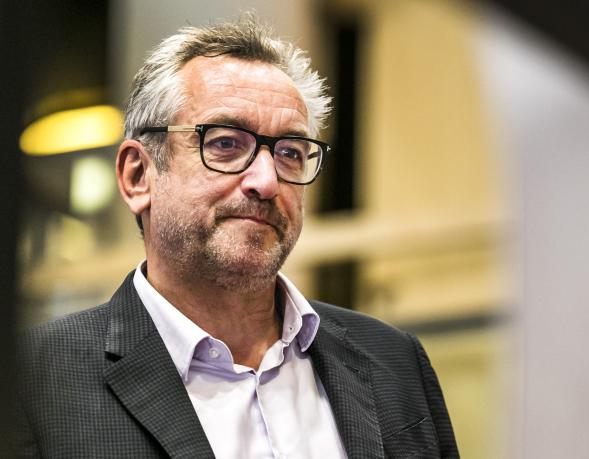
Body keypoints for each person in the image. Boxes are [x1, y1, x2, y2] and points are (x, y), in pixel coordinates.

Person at [14, 16, 459, 458]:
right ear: (138, 176)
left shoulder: (393, 361)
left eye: (290, 152)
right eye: (225, 143)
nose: (266, 181)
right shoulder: (30, 380)